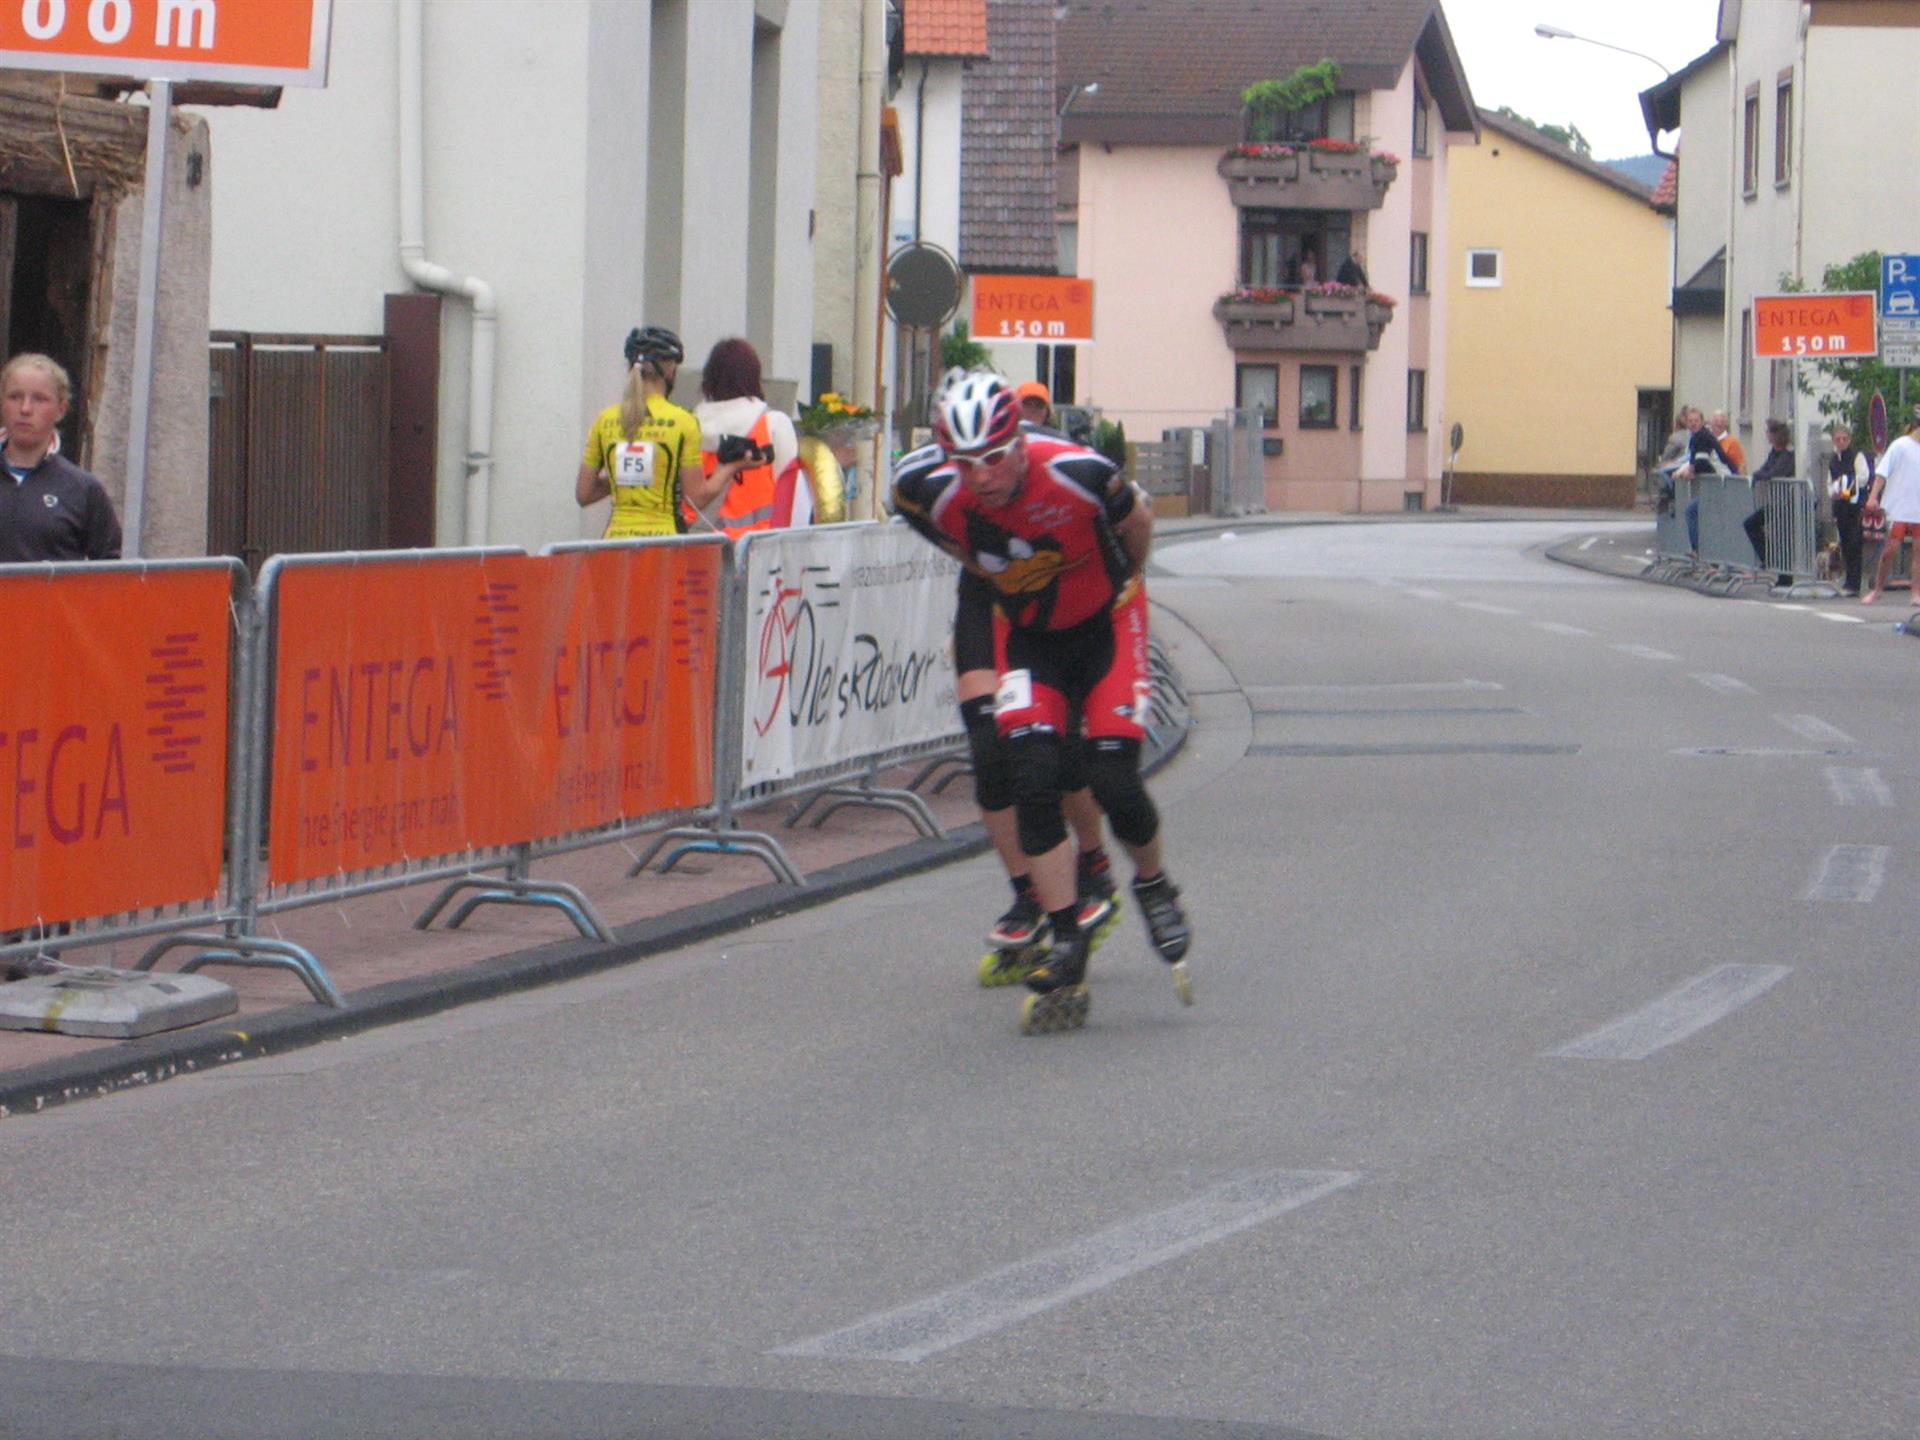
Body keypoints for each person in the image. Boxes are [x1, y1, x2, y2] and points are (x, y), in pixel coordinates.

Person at [893, 372, 1191, 1019]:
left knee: (1112, 775)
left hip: (1105, 623)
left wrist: (1123, 583)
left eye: (995, 457)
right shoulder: (922, 487)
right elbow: (941, 534)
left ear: (1021, 441)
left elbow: (1137, 526)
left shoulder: (1079, 472)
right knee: (1029, 772)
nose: (981, 477)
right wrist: (992, 574)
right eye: (964, 462)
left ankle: (1153, 884)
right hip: (1028, 635)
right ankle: (1064, 937)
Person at [576, 325, 718, 539]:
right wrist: (729, 468)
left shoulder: (604, 420)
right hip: (664, 542)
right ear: (670, 370)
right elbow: (697, 497)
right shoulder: (683, 422)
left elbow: (584, 494)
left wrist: (624, 477)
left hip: (614, 544)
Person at [691, 337, 835, 536]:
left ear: (709, 379)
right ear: (754, 377)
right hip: (758, 546)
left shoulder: (689, 426)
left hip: (700, 543)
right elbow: (790, 493)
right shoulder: (773, 424)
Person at [0, 353, 120, 562]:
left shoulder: (83, 489)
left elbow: (110, 571)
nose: (25, 409)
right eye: (15, 397)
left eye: (39, 399)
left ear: (61, 409)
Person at [1860, 407, 1920, 605]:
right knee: (1890, 550)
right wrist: (1873, 497)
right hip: (1899, 506)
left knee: (1918, 551)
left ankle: (1916, 593)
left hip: (1917, 506)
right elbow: (1882, 473)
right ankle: (1878, 589)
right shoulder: (1900, 445)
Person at [1740, 420, 1795, 583]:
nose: (1767, 435)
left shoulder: (1787, 455)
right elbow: (1764, 470)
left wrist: (1760, 475)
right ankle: (1769, 559)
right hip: (1776, 502)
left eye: (1769, 432)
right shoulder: (1774, 453)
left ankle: (1785, 578)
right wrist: (1758, 475)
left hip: (1787, 502)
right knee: (1751, 524)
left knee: (1783, 538)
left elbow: (1774, 473)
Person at [1677, 407, 1736, 558]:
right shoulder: (1699, 436)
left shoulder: (1702, 437)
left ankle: (1698, 550)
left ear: (1702, 422)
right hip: (1717, 483)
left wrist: (1691, 471)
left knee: (1691, 512)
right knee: (1706, 518)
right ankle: (1710, 558)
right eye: (1690, 421)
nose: (1693, 424)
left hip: (1719, 482)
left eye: (1696, 421)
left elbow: (1702, 462)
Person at [1826, 422, 1871, 595]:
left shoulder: (1857, 456)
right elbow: (1830, 484)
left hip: (1855, 505)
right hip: (1841, 506)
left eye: (1844, 439)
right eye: (1838, 439)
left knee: (1855, 543)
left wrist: (1846, 487)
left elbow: (1863, 478)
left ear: (1849, 440)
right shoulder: (1832, 459)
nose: (1841, 442)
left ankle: (1854, 584)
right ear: (1833, 441)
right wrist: (1835, 492)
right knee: (1845, 543)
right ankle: (1848, 581)